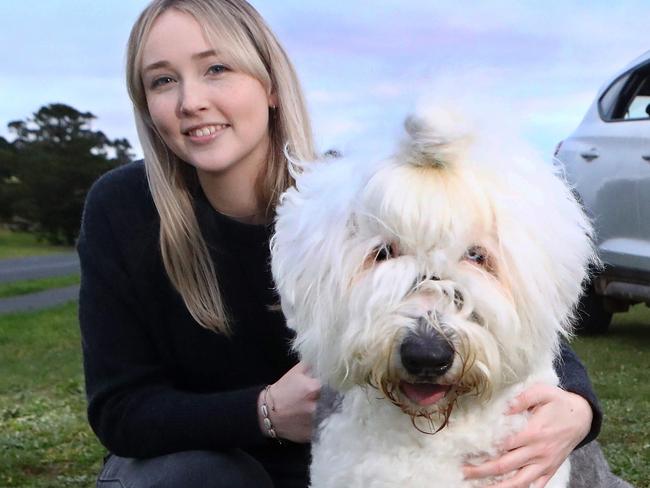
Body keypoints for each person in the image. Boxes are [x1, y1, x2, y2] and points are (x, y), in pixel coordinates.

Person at [77, 1, 602, 487]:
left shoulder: (357, 194)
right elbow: (120, 409)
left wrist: (578, 404)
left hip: (326, 461)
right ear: (146, 106)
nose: (191, 101)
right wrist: (264, 412)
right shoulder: (121, 208)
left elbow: (499, 293)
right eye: (163, 81)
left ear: (270, 85)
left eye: (217, 69)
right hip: (192, 459)